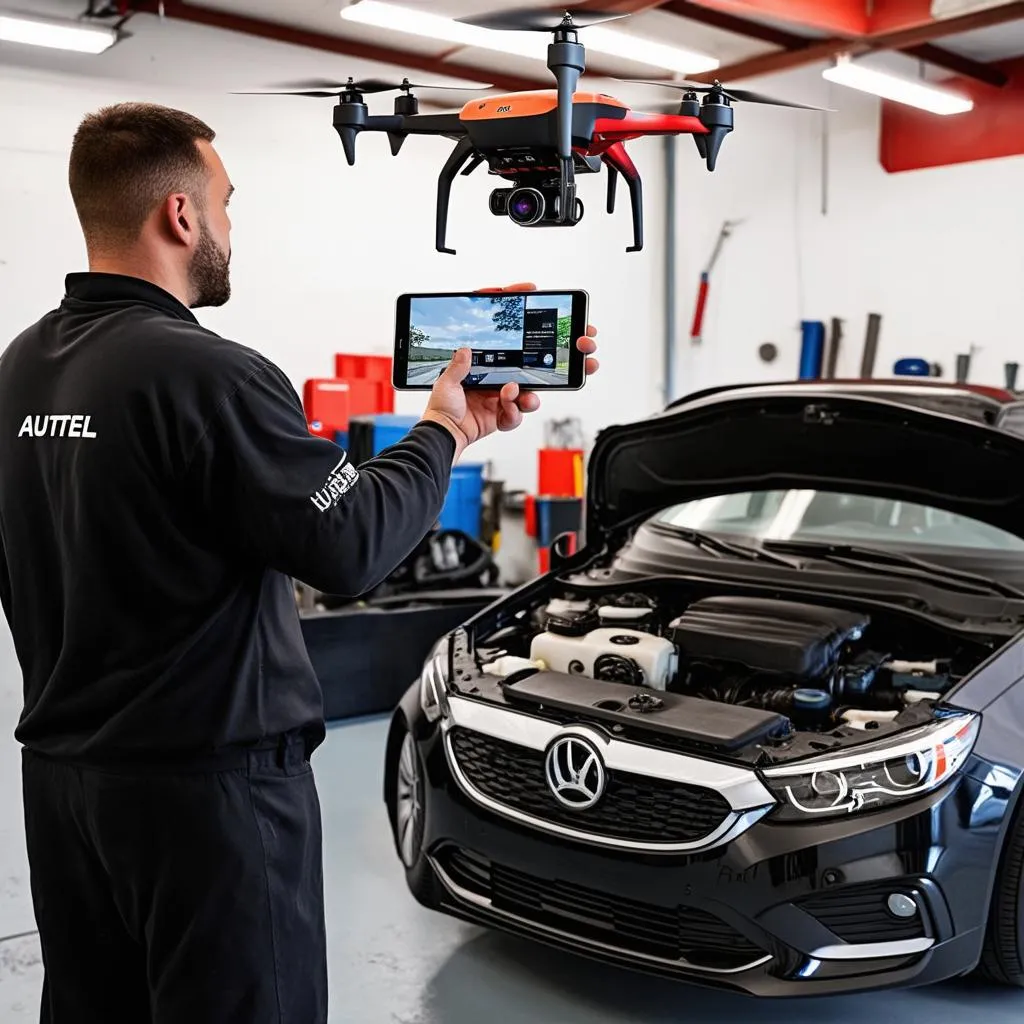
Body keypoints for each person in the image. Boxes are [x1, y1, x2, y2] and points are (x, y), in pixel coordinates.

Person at [0, 101, 599, 1023]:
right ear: (181, 215)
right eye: (226, 203)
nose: (231, 229)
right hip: (210, 802)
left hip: (68, 788)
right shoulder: (207, 372)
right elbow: (351, 545)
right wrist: (445, 427)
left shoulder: (20, 370)